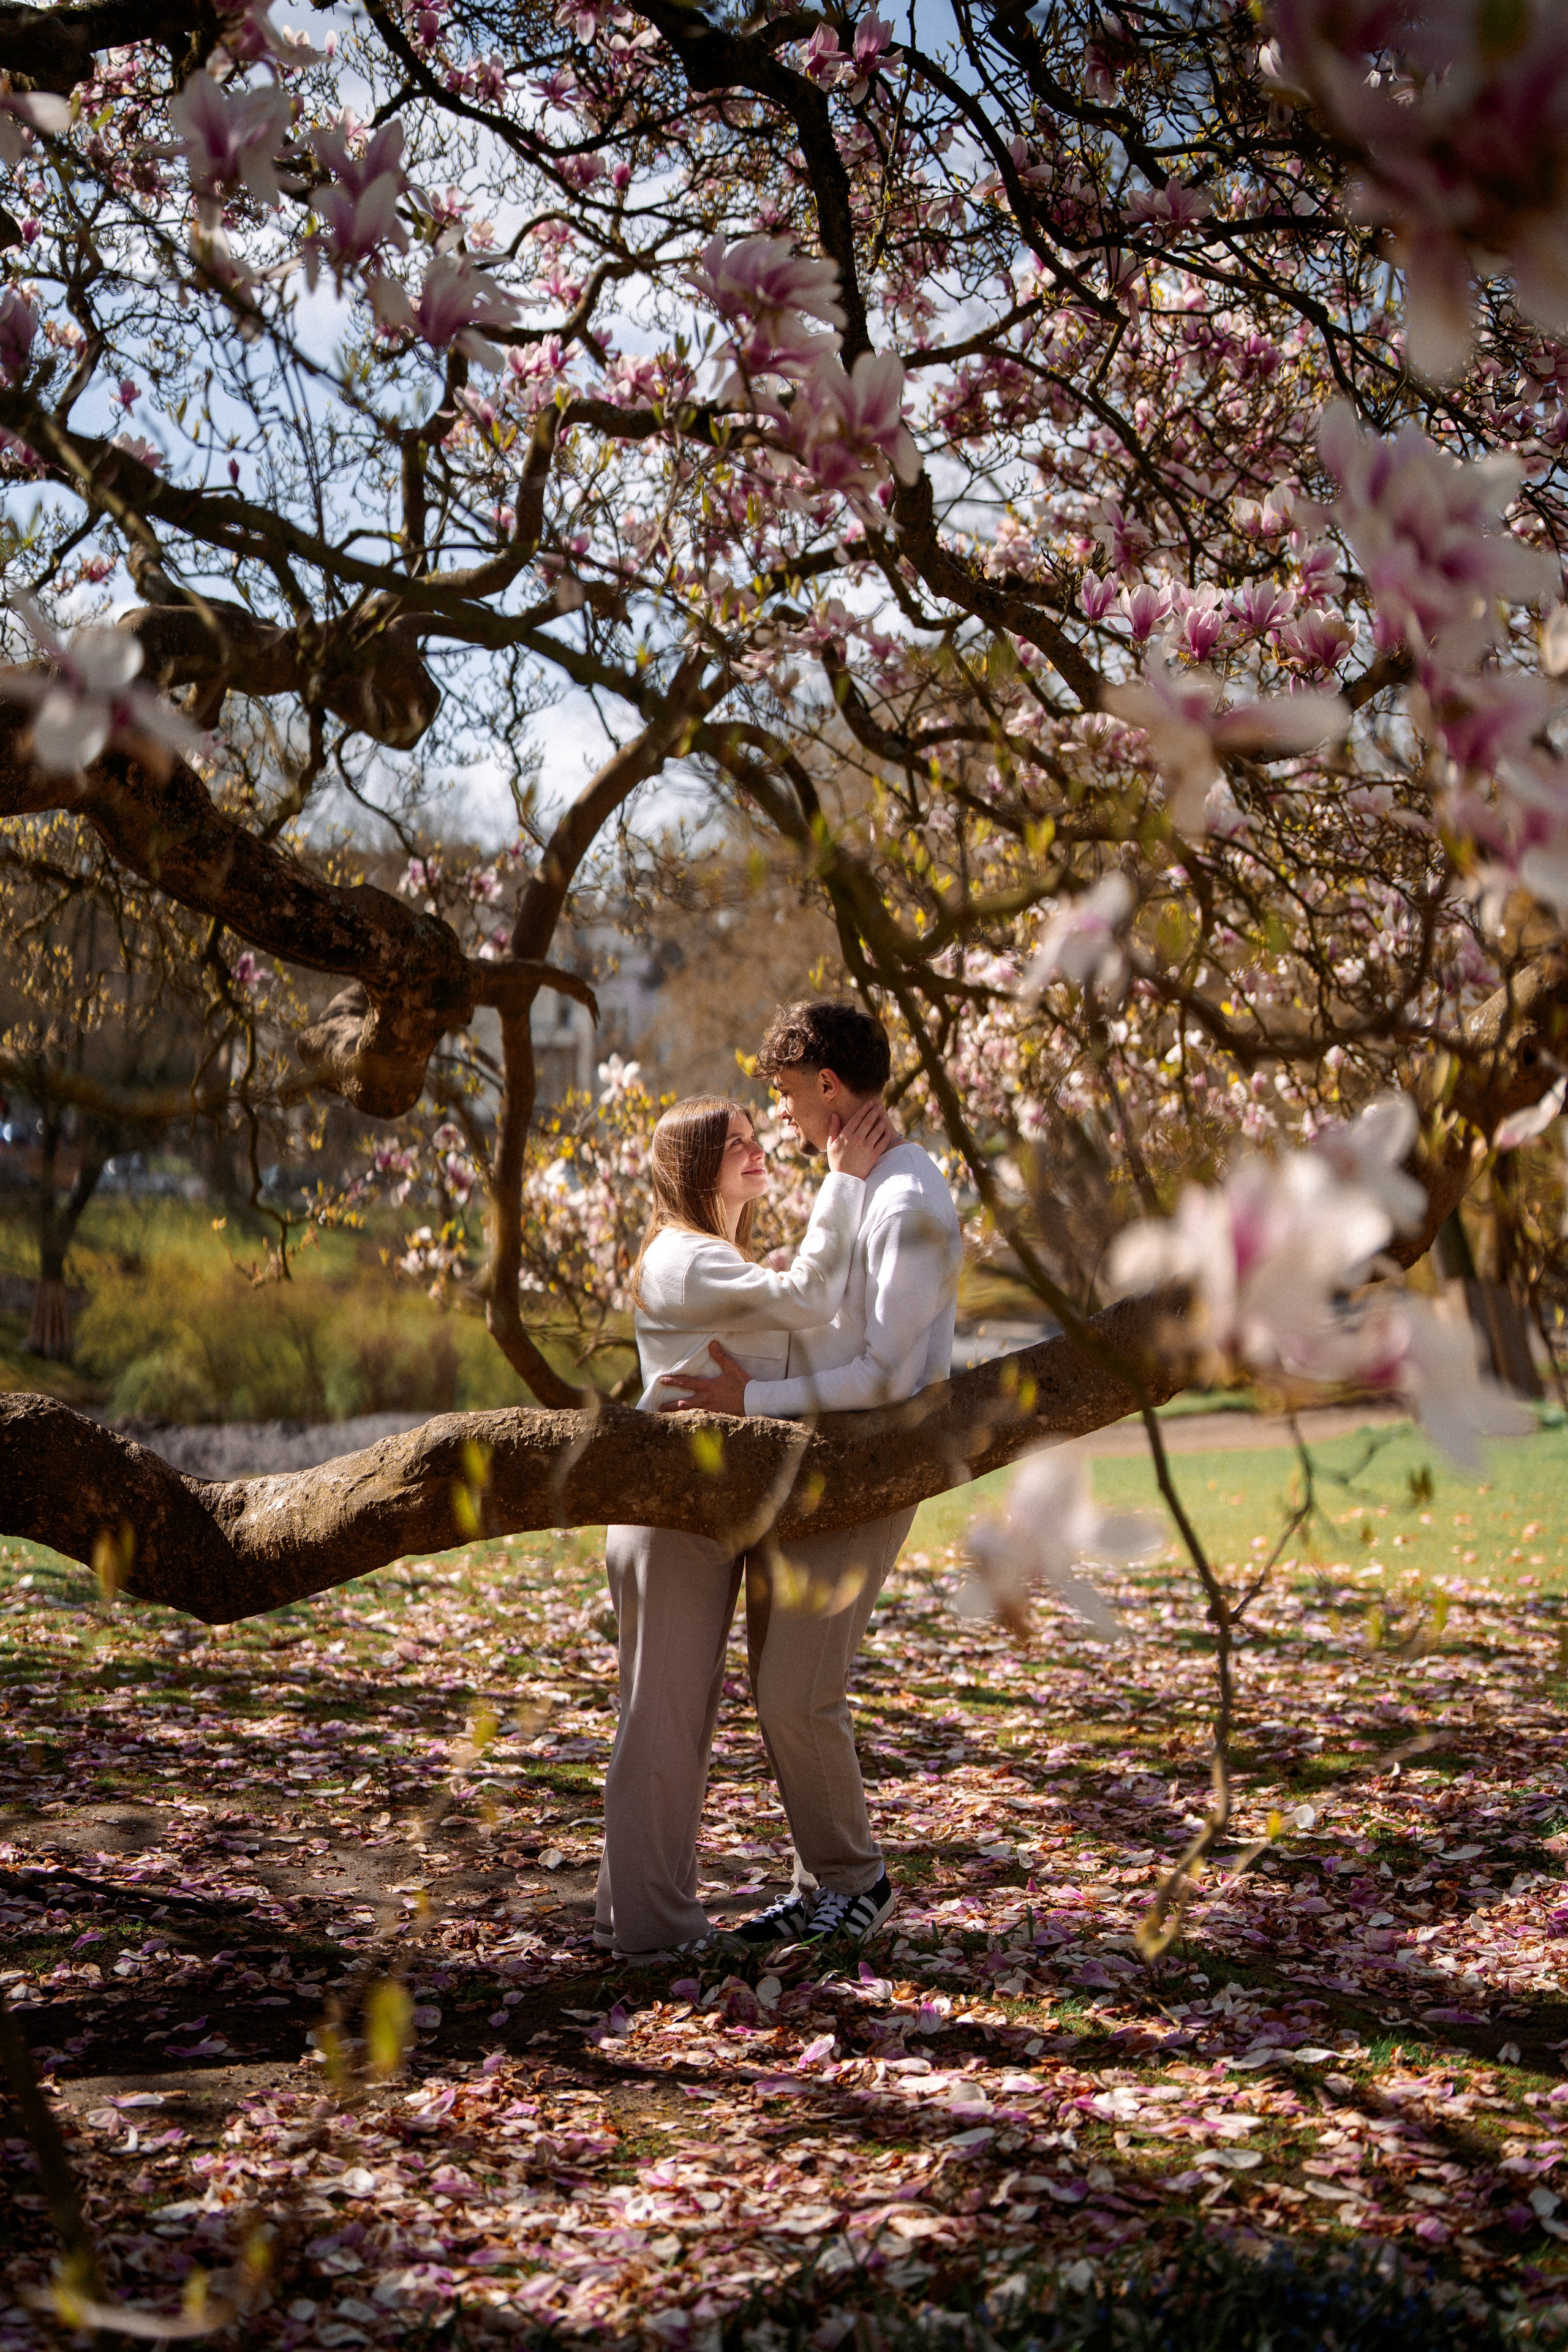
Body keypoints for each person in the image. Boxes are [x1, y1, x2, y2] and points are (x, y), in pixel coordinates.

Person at [658, 999, 963, 1953]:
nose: (784, 1117)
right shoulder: (862, 1181)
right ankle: (822, 1882)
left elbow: (885, 1376)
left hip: (872, 1470)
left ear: (829, 1087)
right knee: (780, 1683)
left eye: (790, 1095)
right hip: (818, 1465)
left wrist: (750, 1403)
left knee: (799, 1690)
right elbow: (832, 1324)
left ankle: (858, 1883)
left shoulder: (908, 1198)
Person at [595, 1086, 896, 1962]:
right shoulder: (687, 1260)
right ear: (695, 1165)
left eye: (758, 1137)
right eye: (736, 1144)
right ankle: (659, 1936)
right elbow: (806, 1298)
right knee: (663, 1719)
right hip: (669, 1513)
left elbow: (804, 1325)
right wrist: (842, 1180)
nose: (757, 1152)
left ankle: (634, 1914)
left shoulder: (716, 1257)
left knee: (665, 1717)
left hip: (703, 1510)